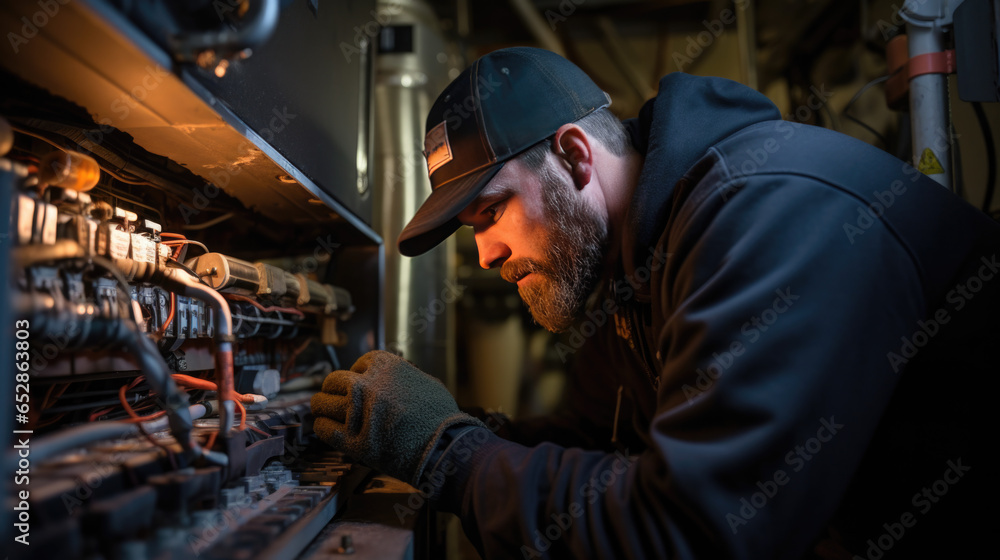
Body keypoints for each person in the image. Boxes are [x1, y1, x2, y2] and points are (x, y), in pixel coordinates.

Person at [311, 47, 997, 559]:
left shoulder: (765, 219)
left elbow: (692, 532)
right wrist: (453, 431)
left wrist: (449, 453)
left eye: (491, 211)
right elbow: (606, 444)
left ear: (576, 157)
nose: (486, 255)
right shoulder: (629, 272)